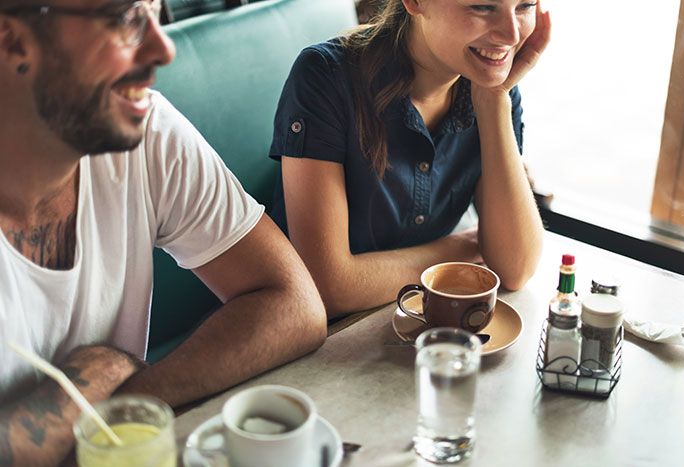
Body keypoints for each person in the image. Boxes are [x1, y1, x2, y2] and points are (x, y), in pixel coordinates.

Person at [0, 0, 327, 464]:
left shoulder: (144, 127)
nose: (163, 47)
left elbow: (294, 303)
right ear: (13, 39)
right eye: (127, 18)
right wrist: (97, 372)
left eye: (154, 9)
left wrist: (127, 399)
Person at [269, 0, 551, 318]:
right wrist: (468, 247)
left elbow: (515, 268)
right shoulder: (326, 76)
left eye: (525, 5)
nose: (512, 35)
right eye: (483, 7)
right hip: (320, 333)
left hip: (409, 316)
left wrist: (495, 99)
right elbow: (327, 287)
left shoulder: (492, 86)